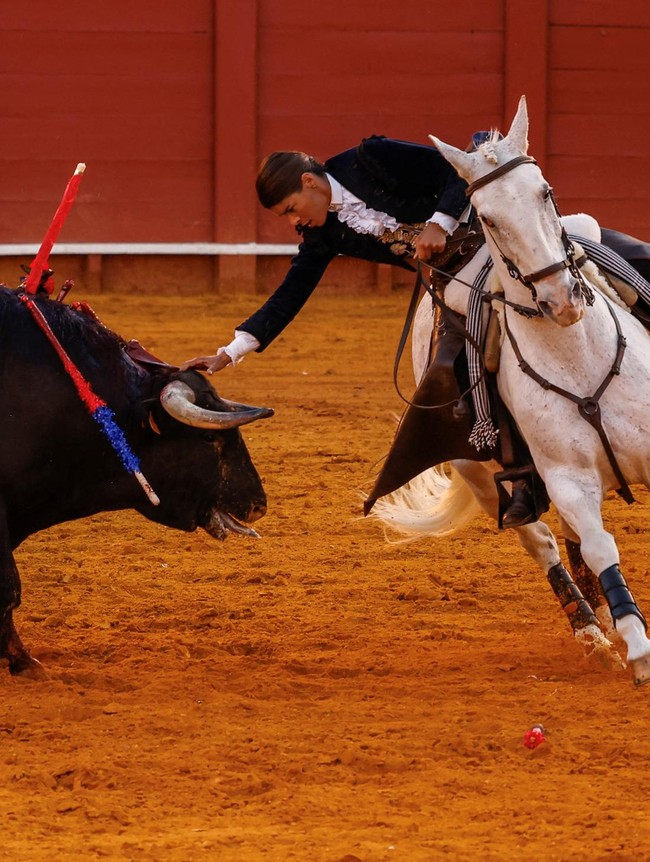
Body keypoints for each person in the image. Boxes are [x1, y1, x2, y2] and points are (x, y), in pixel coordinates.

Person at [180, 135, 650, 527]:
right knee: (460, 373)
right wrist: (231, 351)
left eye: (290, 208)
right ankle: (523, 471)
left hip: (503, 236)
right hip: (460, 284)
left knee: (607, 253)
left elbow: (453, 170)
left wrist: (439, 223)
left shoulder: (371, 158)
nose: (293, 220)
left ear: (309, 182)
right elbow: (289, 295)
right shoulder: (323, 233)